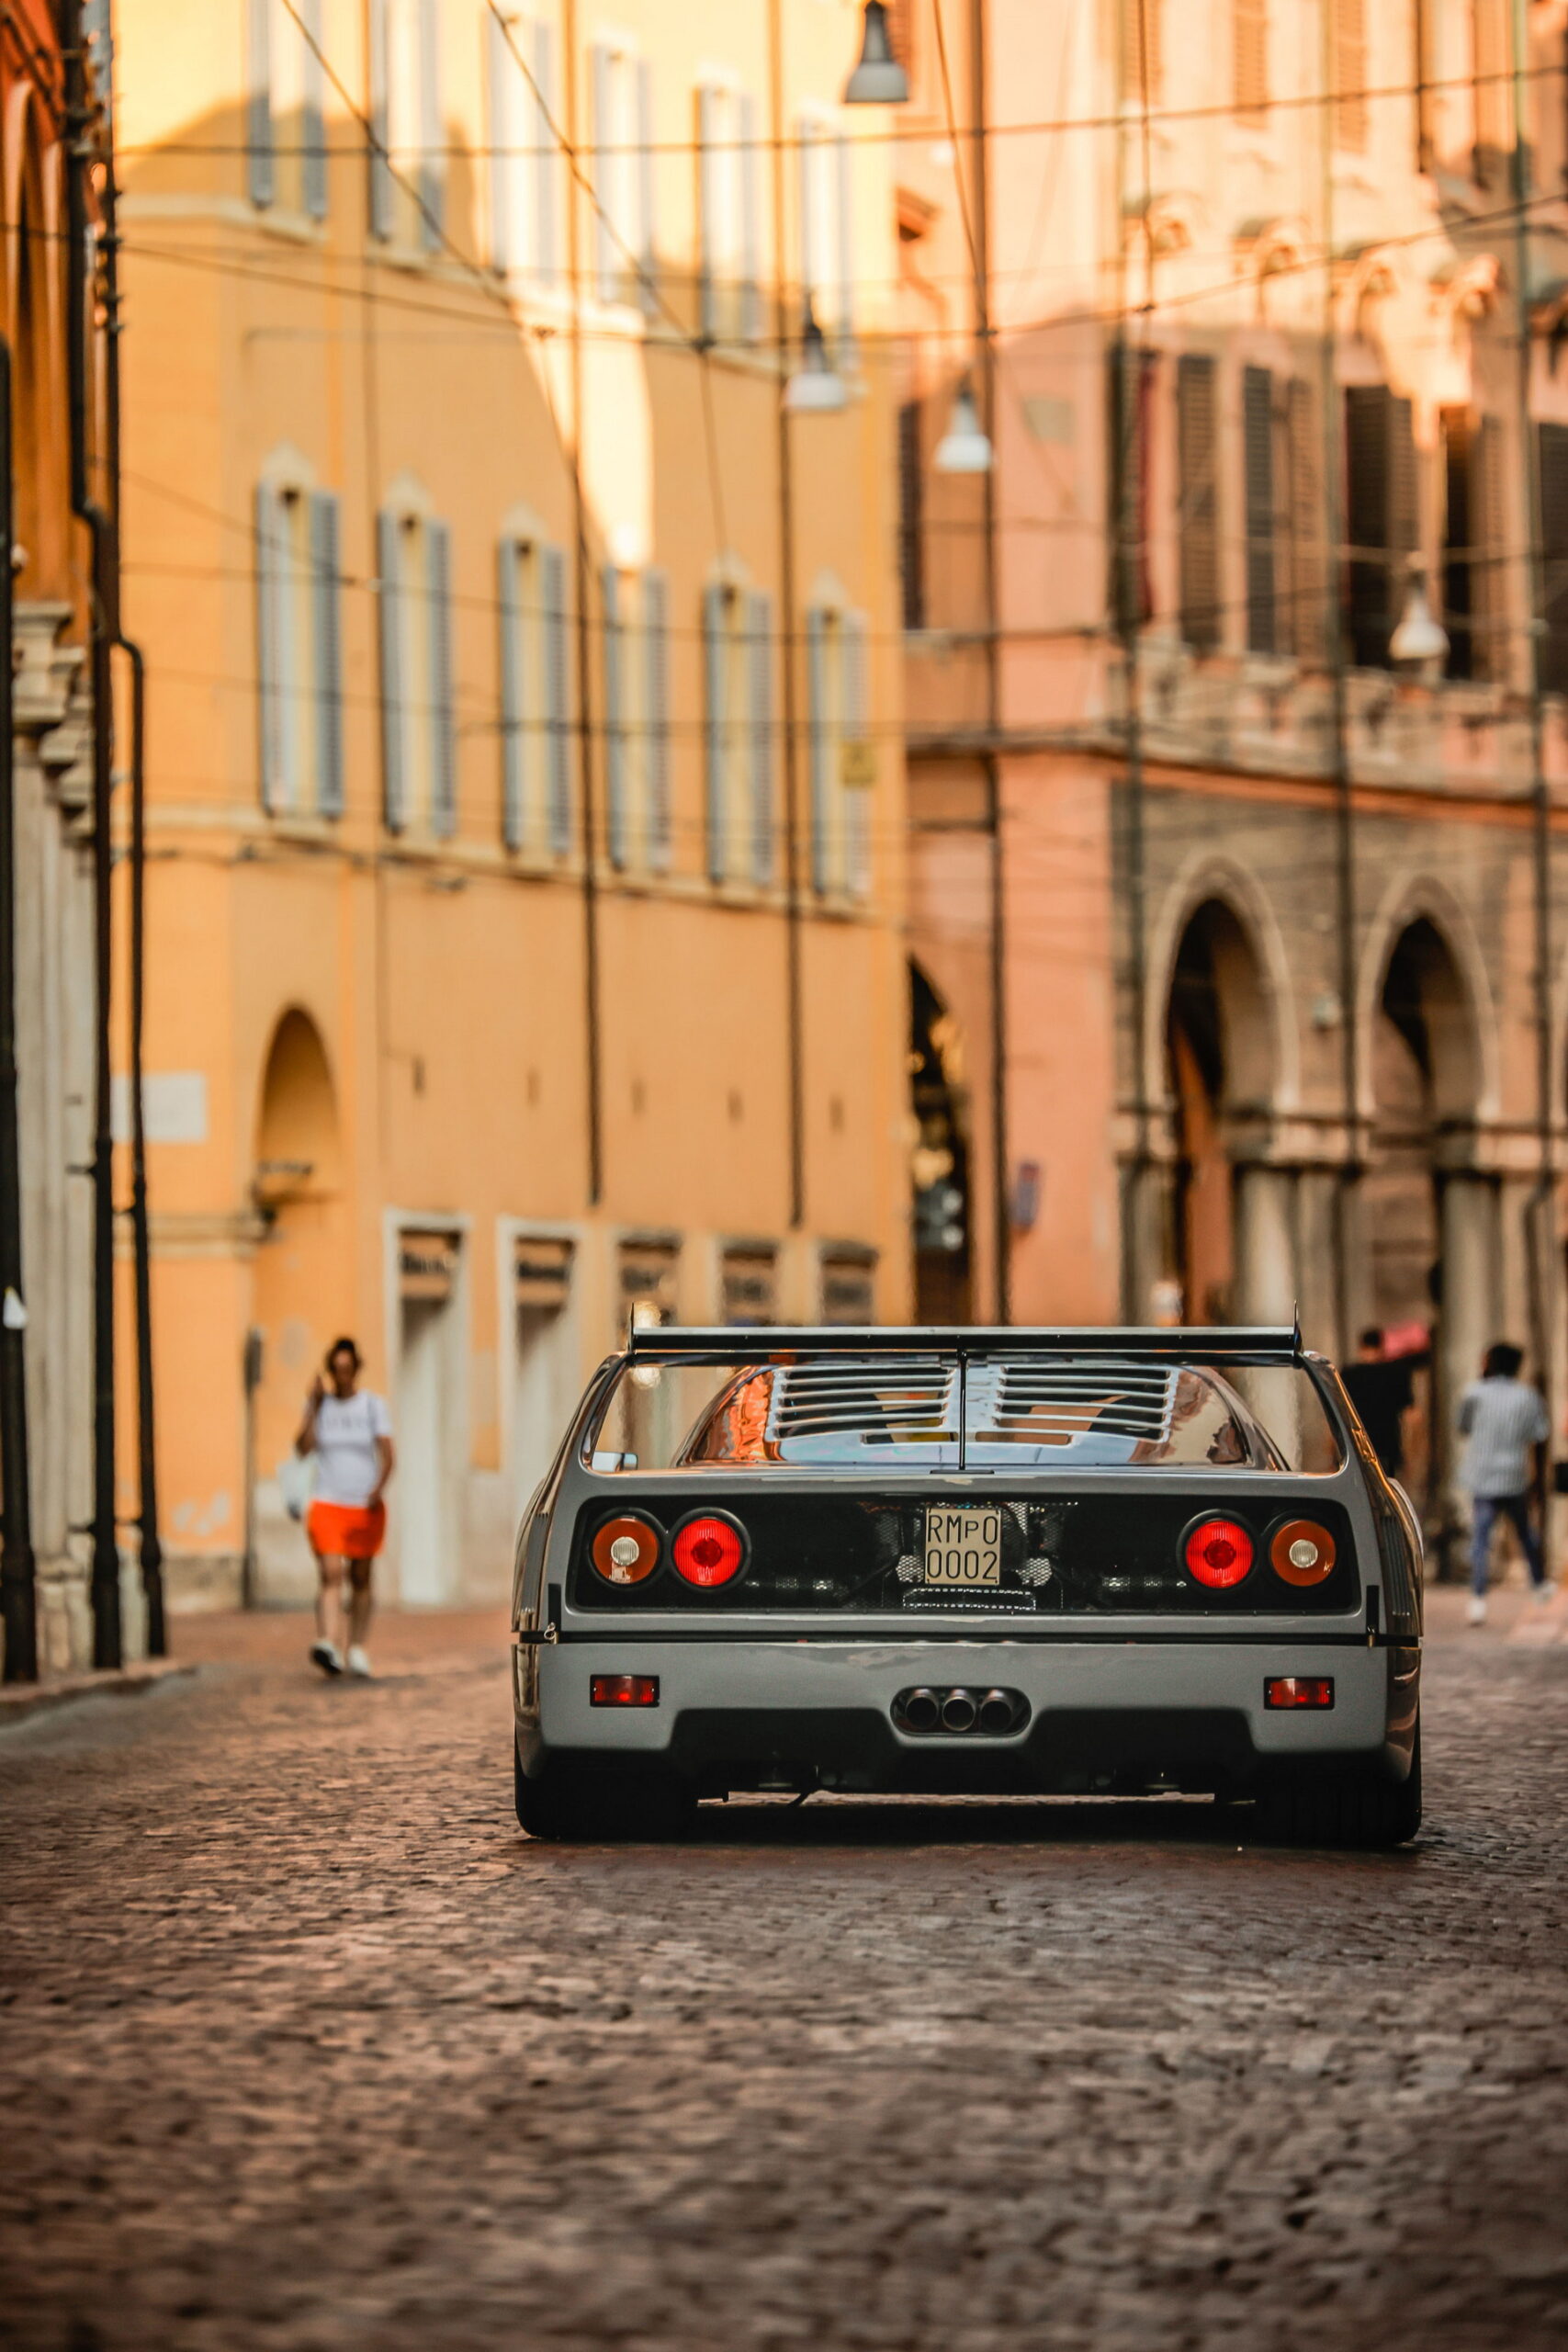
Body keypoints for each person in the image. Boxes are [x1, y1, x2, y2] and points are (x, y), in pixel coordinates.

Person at [295, 1338, 395, 1678]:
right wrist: (311, 1405)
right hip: (327, 1501)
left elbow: (388, 1454)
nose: (342, 1376)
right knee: (331, 1573)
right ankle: (328, 1642)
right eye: (336, 1370)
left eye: (347, 1369)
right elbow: (302, 1449)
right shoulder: (321, 1408)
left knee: (361, 1578)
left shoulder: (371, 1406)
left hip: (363, 1505)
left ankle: (357, 1647)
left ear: (356, 1369)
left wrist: (377, 1489)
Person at [1457, 1342, 1554, 1627]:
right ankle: (1538, 1585)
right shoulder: (1527, 1396)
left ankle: (1477, 1600)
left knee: (1481, 1539)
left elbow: (1462, 1426)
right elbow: (1539, 1434)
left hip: (1482, 1475)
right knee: (1525, 1532)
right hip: (1514, 1476)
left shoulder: (1474, 1393)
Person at [1341, 1326, 1422, 1483]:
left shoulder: (1348, 1374)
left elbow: (1337, 1414)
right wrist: (1410, 1454)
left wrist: (1333, 1451)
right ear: (1382, 1346)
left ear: (1361, 1346)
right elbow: (1413, 1417)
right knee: (1386, 1496)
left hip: (1355, 1449)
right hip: (1387, 1449)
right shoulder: (1397, 1374)